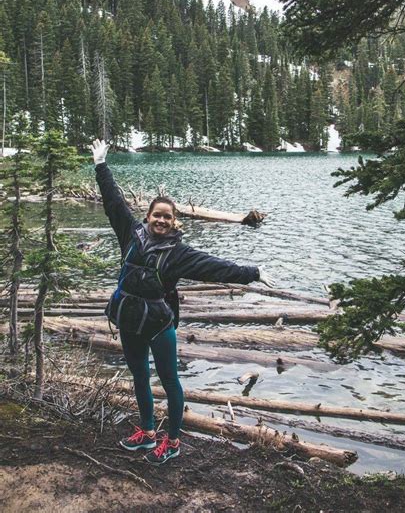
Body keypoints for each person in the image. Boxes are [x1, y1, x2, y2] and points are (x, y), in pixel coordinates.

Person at [90, 138, 273, 466]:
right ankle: (147, 432)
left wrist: (253, 272)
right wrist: (101, 166)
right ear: (147, 217)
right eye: (155, 216)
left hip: (160, 326)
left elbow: (216, 268)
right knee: (139, 378)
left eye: (166, 218)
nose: (160, 221)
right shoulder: (130, 235)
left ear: (175, 222)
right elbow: (113, 202)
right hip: (130, 322)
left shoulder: (179, 253)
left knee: (170, 381)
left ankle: (172, 441)